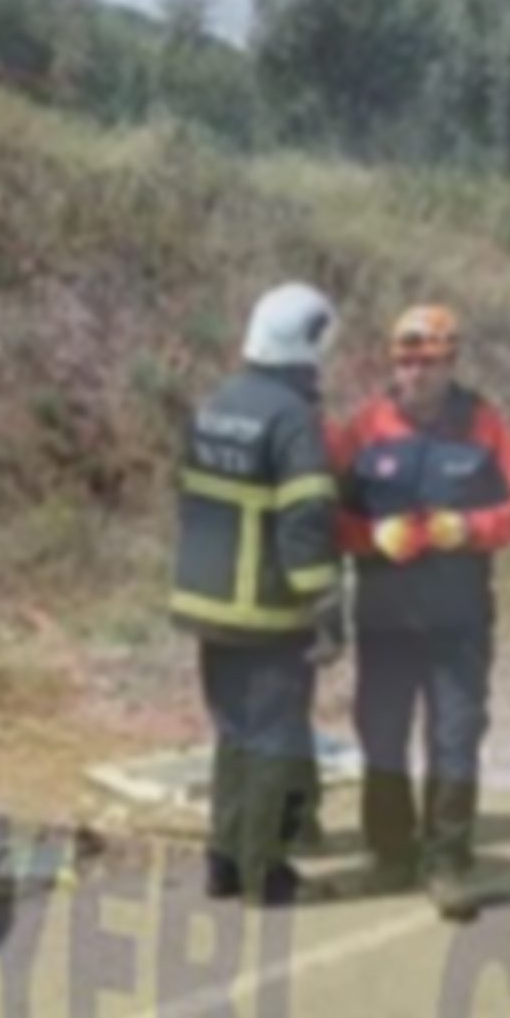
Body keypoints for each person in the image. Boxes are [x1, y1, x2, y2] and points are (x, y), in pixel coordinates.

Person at [329, 306, 510, 921]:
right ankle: (390, 855)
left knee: (455, 735)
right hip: (385, 619)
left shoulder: (485, 426)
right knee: (382, 732)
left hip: (459, 620)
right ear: (391, 362)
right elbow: (324, 516)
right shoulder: (365, 428)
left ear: (452, 363)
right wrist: (369, 537)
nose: (416, 373)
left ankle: (448, 862)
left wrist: (469, 528)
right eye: (406, 360)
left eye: (429, 361)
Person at [170, 282, 349, 907]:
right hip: (267, 612)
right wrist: (325, 606)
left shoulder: (217, 403)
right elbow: (304, 526)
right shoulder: (292, 419)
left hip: (206, 606)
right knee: (273, 736)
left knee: (234, 733)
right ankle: (265, 873)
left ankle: (223, 861)